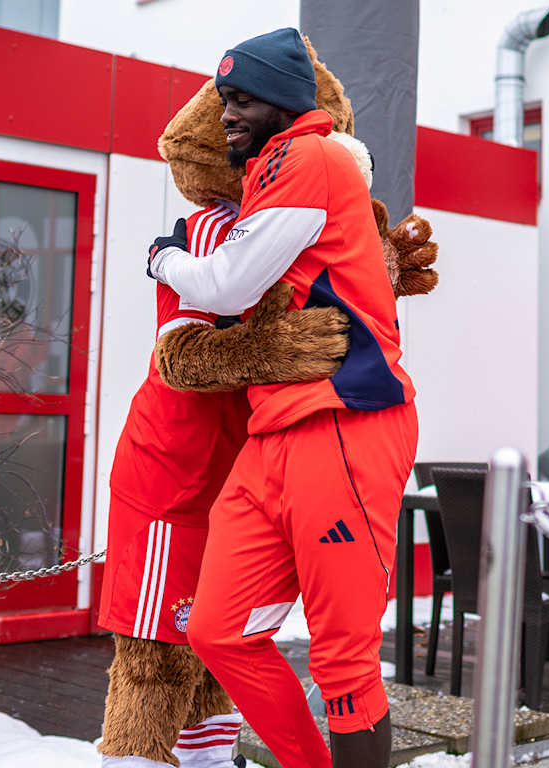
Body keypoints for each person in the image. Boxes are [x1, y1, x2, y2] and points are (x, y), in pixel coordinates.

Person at [146, 27, 418, 768]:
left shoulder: (310, 153)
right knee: (219, 629)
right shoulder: (275, 163)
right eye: (223, 99)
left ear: (285, 102)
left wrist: (165, 257)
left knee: (345, 665)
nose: (226, 114)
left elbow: (231, 285)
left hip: (344, 419)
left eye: (241, 99)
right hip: (278, 427)